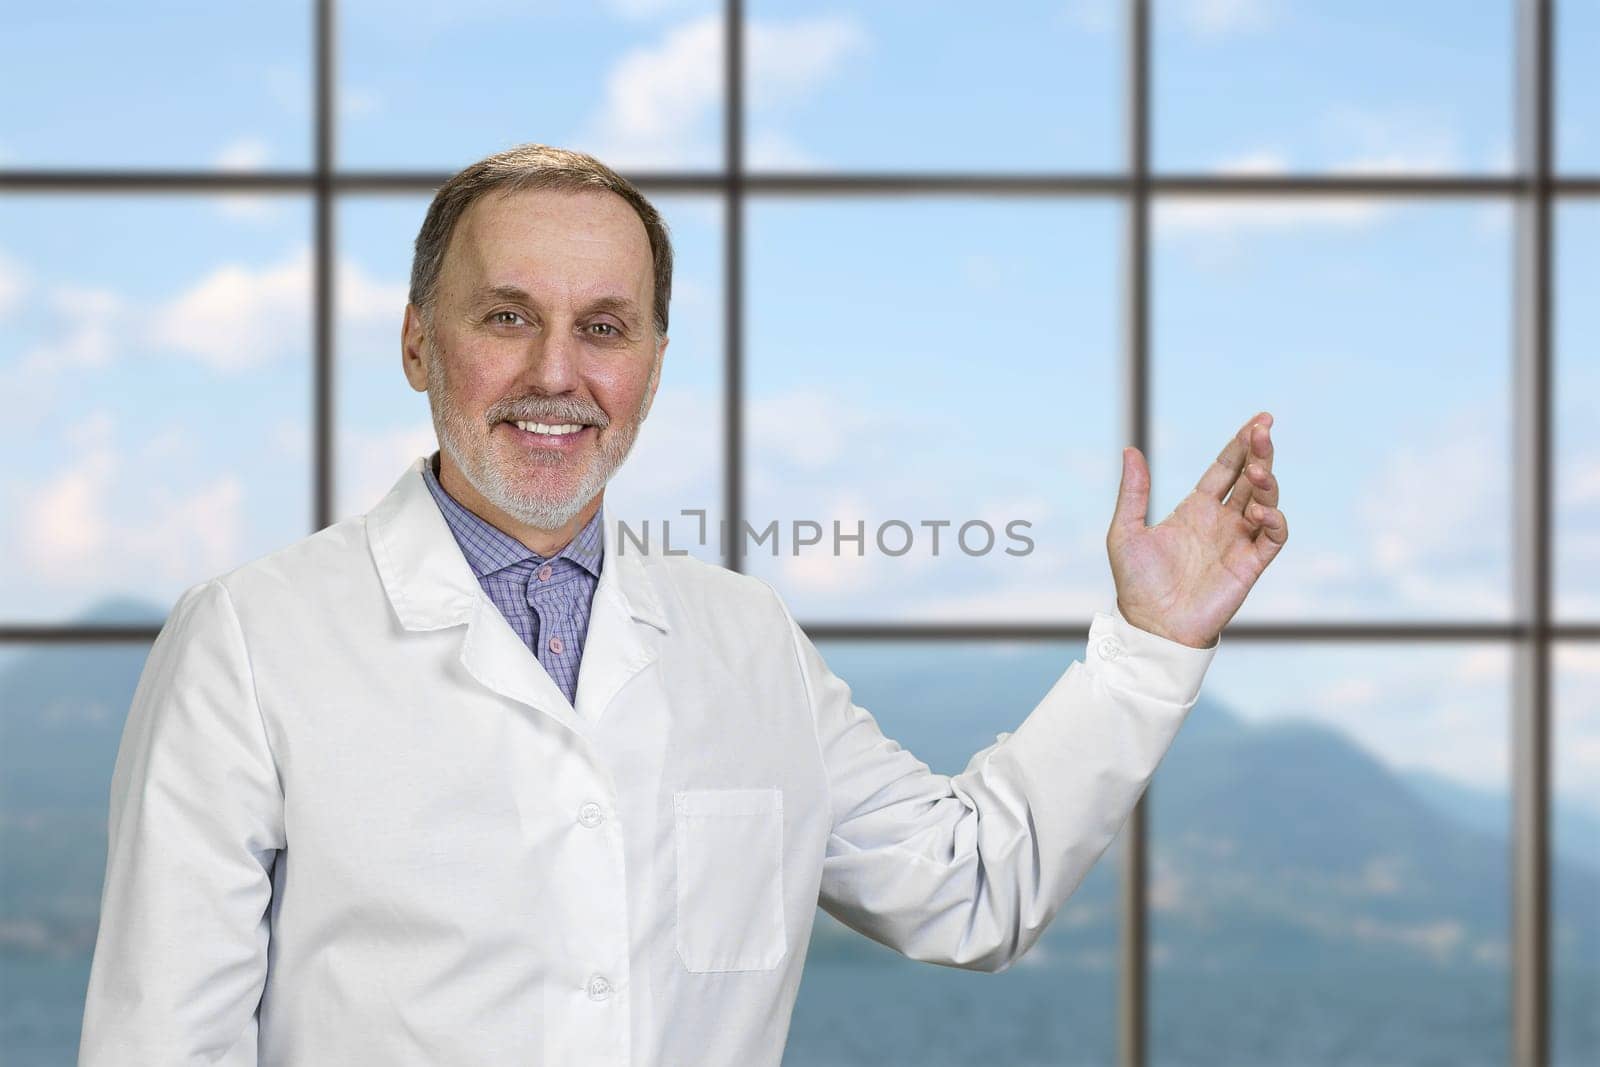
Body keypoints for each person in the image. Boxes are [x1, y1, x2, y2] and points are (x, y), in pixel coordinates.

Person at [78, 143, 1288, 1066]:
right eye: (508, 316)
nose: (557, 372)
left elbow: (973, 884)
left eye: (603, 327)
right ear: (415, 342)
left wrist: (1149, 645)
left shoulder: (744, 640)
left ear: (652, 363)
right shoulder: (249, 638)